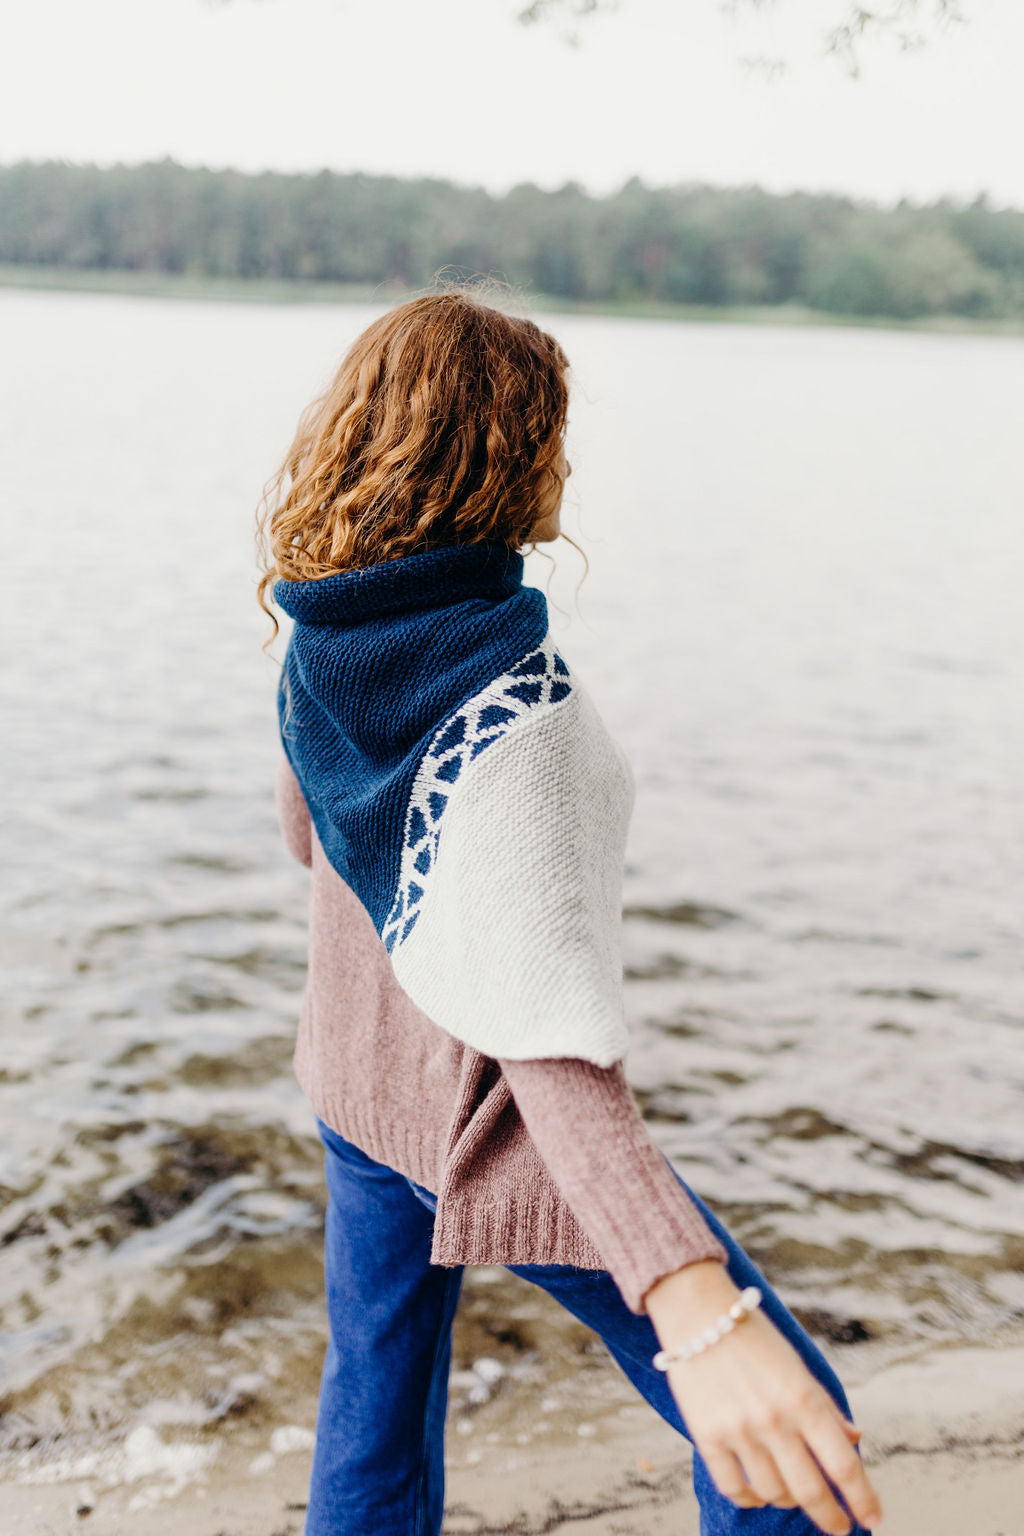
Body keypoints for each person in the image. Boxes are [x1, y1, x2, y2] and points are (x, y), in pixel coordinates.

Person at [254, 285, 884, 1536]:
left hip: (355, 1090)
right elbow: (545, 1043)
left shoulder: (323, 631)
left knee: (373, 1414)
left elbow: (306, 842)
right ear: (521, 454)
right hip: (488, 1119)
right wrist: (692, 1300)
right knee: (789, 1440)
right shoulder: (511, 714)